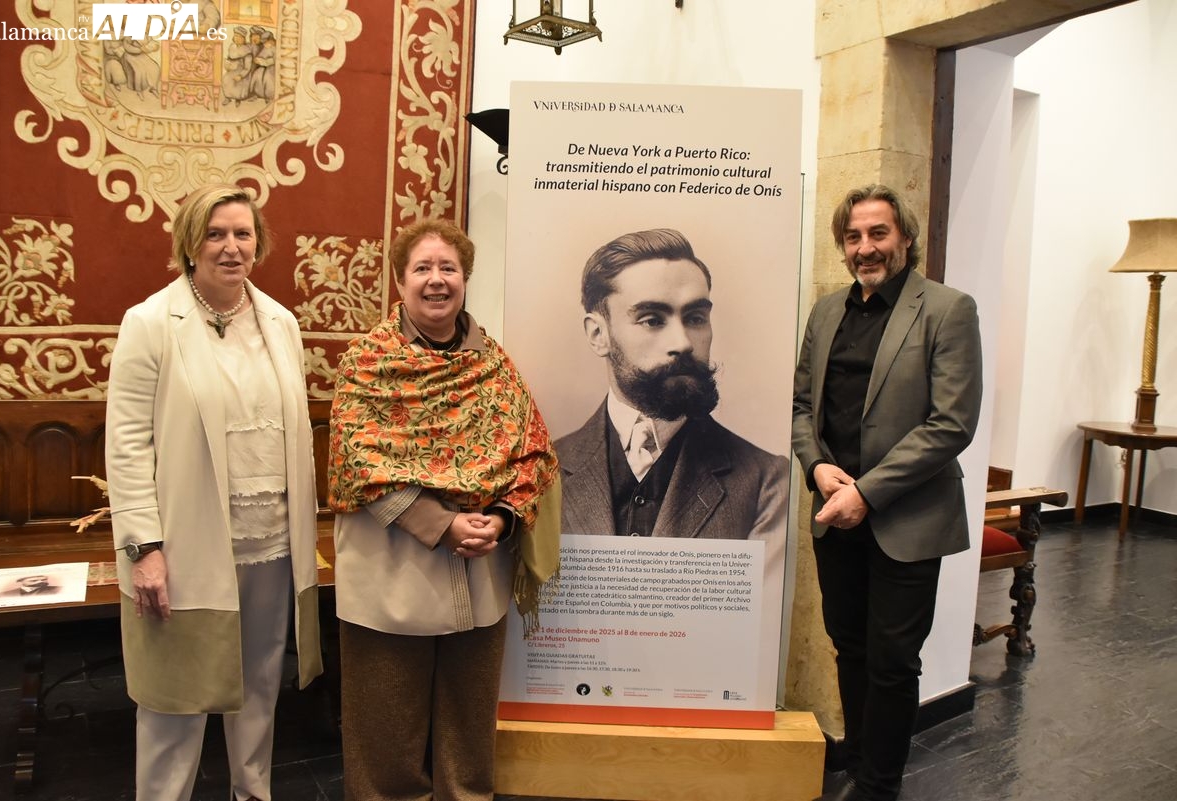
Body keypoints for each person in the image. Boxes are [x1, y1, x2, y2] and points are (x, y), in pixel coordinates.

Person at [328, 218, 561, 801]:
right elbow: (357, 457)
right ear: (400, 282)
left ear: (465, 279)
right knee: (385, 737)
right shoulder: (368, 361)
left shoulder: (495, 365)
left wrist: (503, 518)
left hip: (478, 570)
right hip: (391, 573)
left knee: (469, 733)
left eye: (449, 269)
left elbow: (532, 450)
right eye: (423, 269)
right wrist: (441, 523)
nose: (437, 281)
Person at [106, 183, 322, 801]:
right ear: (189, 243)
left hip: (271, 541)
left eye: (243, 234)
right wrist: (143, 548)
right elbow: (125, 444)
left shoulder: (281, 322)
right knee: (176, 694)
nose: (231, 248)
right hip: (187, 545)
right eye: (216, 234)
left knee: (258, 682)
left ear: (259, 242)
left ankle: (251, 792)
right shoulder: (150, 322)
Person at [791, 184, 982, 801]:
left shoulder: (949, 309)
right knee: (848, 647)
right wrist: (818, 467)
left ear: (905, 238)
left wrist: (867, 493)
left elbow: (951, 424)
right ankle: (860, 761)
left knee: (893, 662)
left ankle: (880, 786)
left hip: (907, 517)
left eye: (878, 233)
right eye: (853, 236)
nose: (865, 247)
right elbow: (800, 406)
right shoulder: (825, 312)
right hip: (833, 511)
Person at [556, 228, 788, 540]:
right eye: (652, 320)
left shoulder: (765, 480)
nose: (683, 343)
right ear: (599, 335)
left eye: (695, 318)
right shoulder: (544, 471)